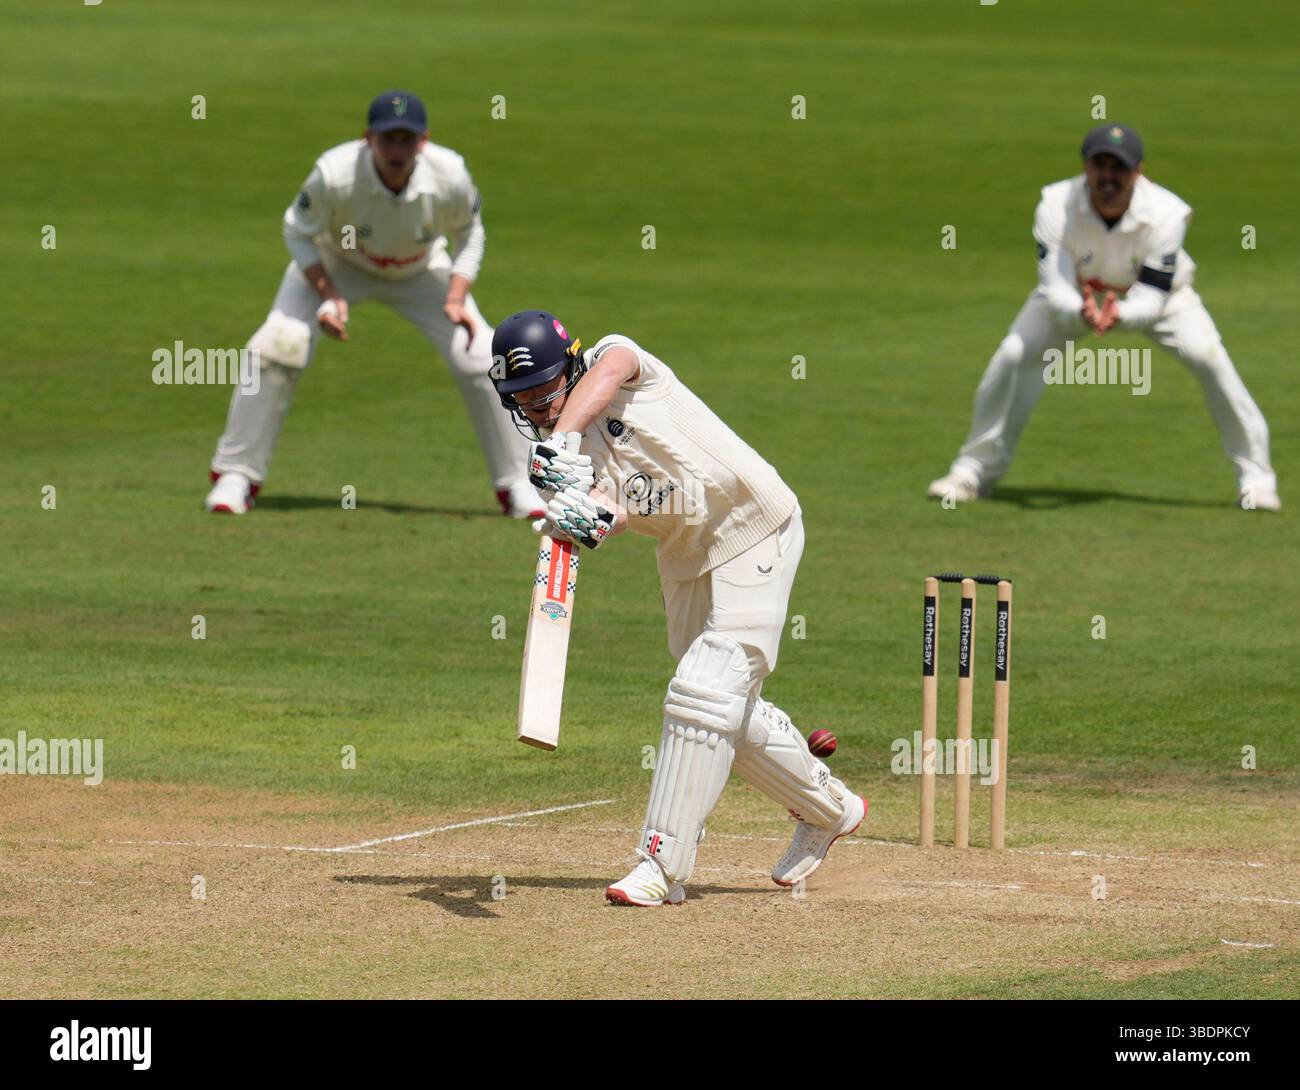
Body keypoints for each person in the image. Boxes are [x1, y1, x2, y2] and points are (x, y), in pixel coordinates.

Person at [489, 310, 867, 906]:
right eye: (522, 398)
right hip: (688, 555)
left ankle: (660, 867)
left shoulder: (616, 362)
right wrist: (581, 518)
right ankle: (831, 809)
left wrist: (559, 442)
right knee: (718, 712)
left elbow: (612, 369)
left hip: (755, 524)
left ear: (570, 366)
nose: (536, 407)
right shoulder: (564, 459)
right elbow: (613, 512)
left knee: (705, 689)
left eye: (543, 389)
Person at [204, 91, 542, 518]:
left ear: (423, 140)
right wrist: (329, 295)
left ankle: (517, 484)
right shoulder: (334, 173)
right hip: (339, 262)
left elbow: (470, 233)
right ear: (368, 139)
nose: (397, 149)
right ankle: (236, 475)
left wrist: (456, 297)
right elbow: (296, 231)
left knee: (482, 357)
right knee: (277, 348)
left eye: (407, 139)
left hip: (420, 269)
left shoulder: (450, 175)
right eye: (388, 139)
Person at [928, 123, 1279, 511]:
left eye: (1119, 168)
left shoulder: (1169, 214)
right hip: (1075, 295)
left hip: (1161, 300)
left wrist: (1119, 314)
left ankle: (1257, 481)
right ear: (1085, 167)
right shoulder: (1054, 204)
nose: (1108, 177)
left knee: (1208, 358)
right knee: (1013, 355)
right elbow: (1054, 284)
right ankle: (972, 472)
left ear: (1138, 172)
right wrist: (1081, 309)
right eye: (1100, 166)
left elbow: (1152, 296)